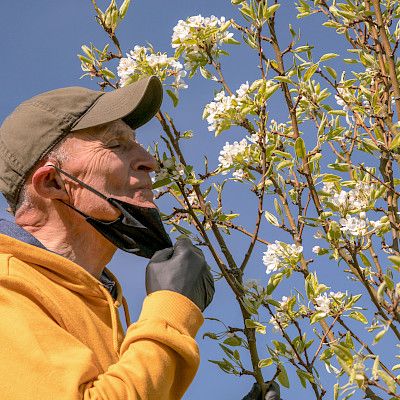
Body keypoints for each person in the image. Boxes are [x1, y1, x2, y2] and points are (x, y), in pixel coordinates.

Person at [0, 75, 281, 400]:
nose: (151, 161)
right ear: (52, 183)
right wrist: (171, 311)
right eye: (116, 144)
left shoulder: (98, 300)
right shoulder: (8, 287)